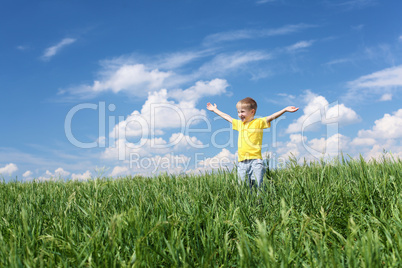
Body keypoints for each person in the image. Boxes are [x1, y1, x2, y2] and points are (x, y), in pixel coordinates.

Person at [207, 97, 298, 189]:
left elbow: (272, 116)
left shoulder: (259, 122)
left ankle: (260, 202)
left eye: (242, 112)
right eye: (238, 112)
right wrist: (215, 110)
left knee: (259, 186)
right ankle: (248, 203)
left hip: (256, 161)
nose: (239, 114)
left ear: (252, 112)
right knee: (243, 187)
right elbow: (227, 117)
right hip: (242, 162)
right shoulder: (239, 124)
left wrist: (285, 110)